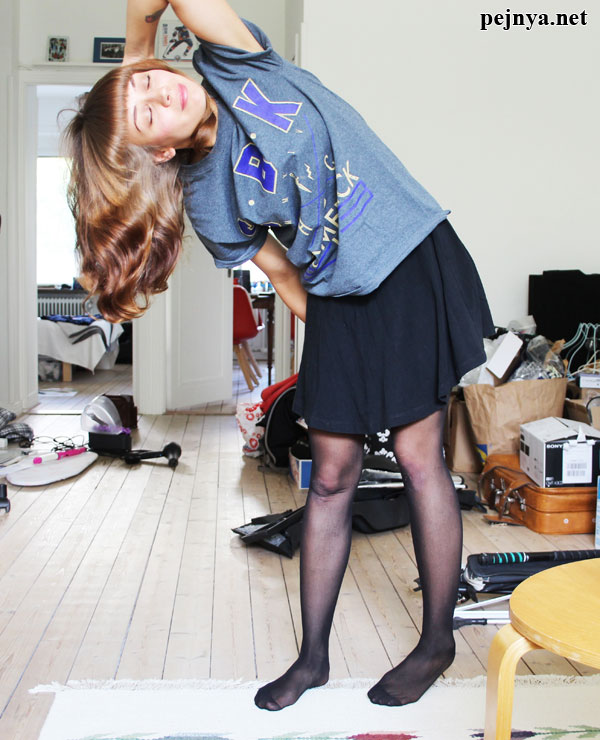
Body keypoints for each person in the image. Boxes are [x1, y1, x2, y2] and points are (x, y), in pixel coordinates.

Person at [64, 0, 494, 712]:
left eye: (151, 82)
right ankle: (312, 658)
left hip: (407, 255)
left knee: (419, 455)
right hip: (336, 293)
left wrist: (135, 58)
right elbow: (285, 276)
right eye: (144, 114)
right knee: (330, 473)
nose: (160, 93)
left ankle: (436, 642)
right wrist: (334, 343)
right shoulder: (206, 199)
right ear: (159, 152)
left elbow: (161, 15)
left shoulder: (234, 63)